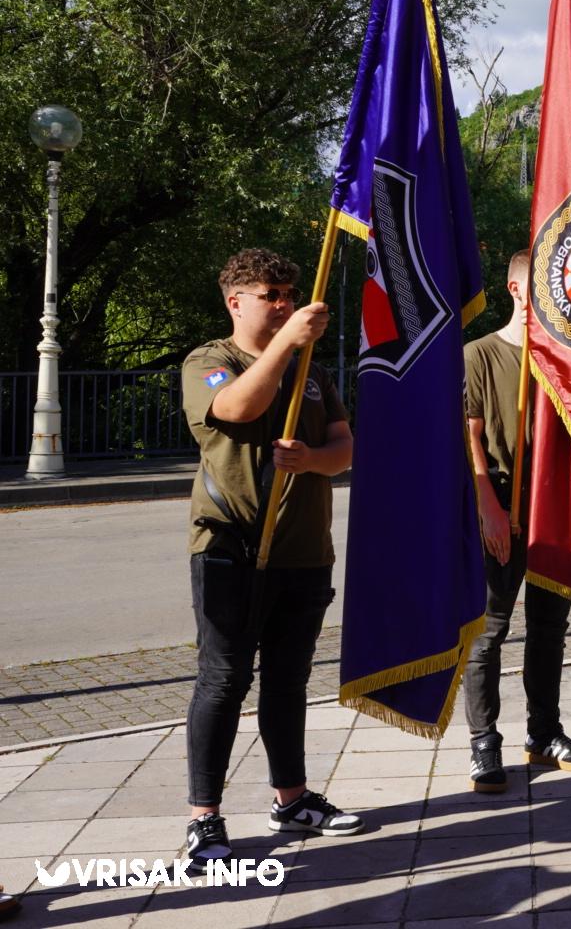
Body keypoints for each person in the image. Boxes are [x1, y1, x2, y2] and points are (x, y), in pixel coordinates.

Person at [179, 248, 361, 862]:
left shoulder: (314, 372)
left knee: (287, 681)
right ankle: (204, 818)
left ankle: (293, 800)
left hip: (304, 550)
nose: (284, 304)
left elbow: (344, 449)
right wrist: (287, 343)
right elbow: (237, 408)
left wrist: (311, 460)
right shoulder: (211, 361)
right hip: (230, 548)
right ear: (236, 302)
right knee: (224, 679)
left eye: (289, 295)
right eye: (271, 295)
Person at [462, 252, 571, 793]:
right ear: (516, 290)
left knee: (549, 628)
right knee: (488, 631)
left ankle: (543, 733)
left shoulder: (565, 360)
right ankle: (484, 742)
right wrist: (488, 508)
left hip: (553, 505)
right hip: (499, 500)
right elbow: (469, 436)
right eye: (541, 290)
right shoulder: (479, 354)